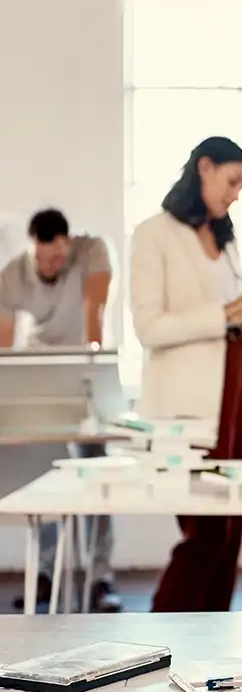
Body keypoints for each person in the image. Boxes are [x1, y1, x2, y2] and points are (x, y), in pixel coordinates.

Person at [130, 137, 242, 612]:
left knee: (230, 530)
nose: (236, 193)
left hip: (235, 395)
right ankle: (165, 629)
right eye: (232, 181)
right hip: (189, 405)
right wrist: (227, 312)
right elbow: (148, 327)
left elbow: (232, 318)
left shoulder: (225, 237)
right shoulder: (152, 235)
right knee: (206, 533)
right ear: (204, 167)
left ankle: (213, 635)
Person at [0, 208, 120, 613]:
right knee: (46, 476)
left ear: (67, 246)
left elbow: (95, 311)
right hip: (41, 374)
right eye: (43, 258)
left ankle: (100, 576)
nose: (51, 265)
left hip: (86, 371)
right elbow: (3, 347)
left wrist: (90, 366)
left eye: (57, 258)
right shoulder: (14, 274)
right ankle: (46, 572)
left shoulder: (92, 251)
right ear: (32, 249)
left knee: (96, 473)